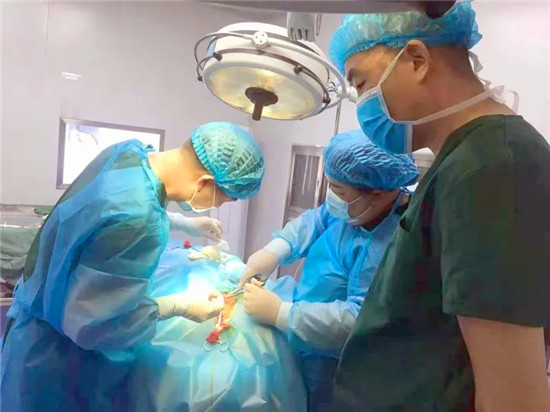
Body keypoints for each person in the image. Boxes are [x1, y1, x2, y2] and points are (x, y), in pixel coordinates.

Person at [328, 1, 550, 410]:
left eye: (362, 84)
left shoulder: (494, 166)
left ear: (416, 60)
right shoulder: (463, 159)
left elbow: (514, 400)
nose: (362, 103)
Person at [0, 122, 265, 411]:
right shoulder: (138, 220)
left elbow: (108, 209)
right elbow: (92, 325)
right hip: (54, 364)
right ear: (203, 183)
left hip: (31, 322)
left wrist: (182, 222)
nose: (219, 207)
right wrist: (179, 306)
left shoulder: (128, 153)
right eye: (222, 200)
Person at [241, 129, 419, 411]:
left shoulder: (393, 245)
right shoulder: (359, 207)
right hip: (307, 341)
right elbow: (318, 219)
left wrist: (281, 313)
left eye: (338, 191)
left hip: (335, 367)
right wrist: (275, 250)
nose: (331, 197)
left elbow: (360, 320)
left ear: (377, 193)